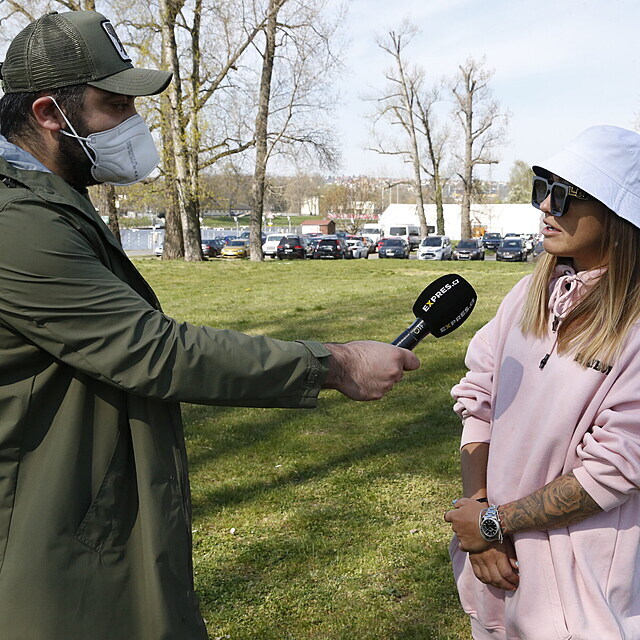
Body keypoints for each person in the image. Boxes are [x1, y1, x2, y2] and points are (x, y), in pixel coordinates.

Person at [0, 11, 420, 640]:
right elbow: (151, 351)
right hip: (48, 535)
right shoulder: (16, 219)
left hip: (81, 518)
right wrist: (332, 364)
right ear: (49, 114)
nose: (132, 125)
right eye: (115, 105)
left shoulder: (49, 202)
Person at [444, 124, 640, 640]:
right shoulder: (527, 295)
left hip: (580, 601)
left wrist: (492, 526)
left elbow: (616, 468)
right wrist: (480, 515)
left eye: (564, 195)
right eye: (542, 189)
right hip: (499, 576)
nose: (546, 207)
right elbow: (479, 397)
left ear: (620, 213)